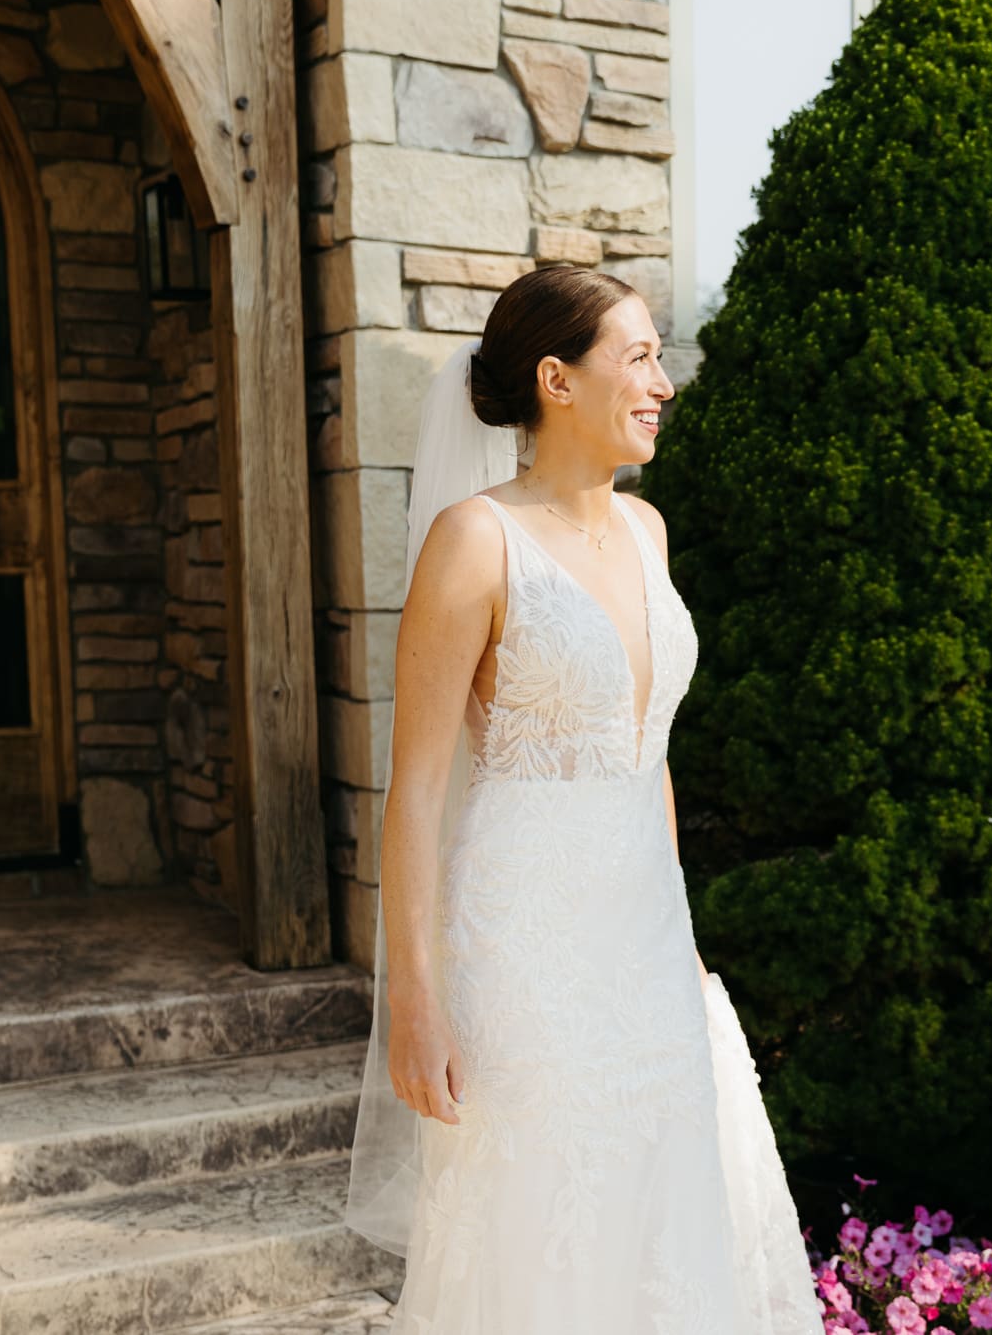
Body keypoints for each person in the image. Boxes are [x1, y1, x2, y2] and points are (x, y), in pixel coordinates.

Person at [343, 266, 822, 1334]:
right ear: (556, 380)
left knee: (662, 1221)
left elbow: (643, 755)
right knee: (543, 1229)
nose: (663, 381)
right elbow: (415, 791)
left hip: (646, 946)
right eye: (639, 355)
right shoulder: (476, 539)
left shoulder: (647, 533)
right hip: (520, 951)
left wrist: (683, 942)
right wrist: (417, 1001)